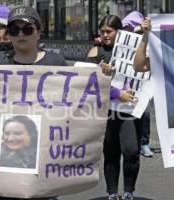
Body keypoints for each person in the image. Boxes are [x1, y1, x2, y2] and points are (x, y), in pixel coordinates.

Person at [0, 6, 67, 200]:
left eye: (27, 29)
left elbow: (70, 106)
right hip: (3, 161)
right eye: (14, 30)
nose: (21, 34)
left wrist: (104, 78)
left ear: (38, 31)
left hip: (43, 161)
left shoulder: (55, 62)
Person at [86, 15, 141, 200]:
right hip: (107, 111)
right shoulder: (96, 52)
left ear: (120, 32)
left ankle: (128, 191)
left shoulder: (133, 51)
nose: (105, 35)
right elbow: (90, 82)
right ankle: (111, 193)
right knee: (111, 152)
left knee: (131, 151)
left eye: (109, 31)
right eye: (102, 31)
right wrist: (117, 93)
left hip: (130, 111)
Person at [122, 11, 154, 157]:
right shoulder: (124, 38)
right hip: (126, 82)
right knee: (126, 114)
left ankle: (144, 143)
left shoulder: (148, 39)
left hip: (144, 81)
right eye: (126, 27)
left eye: (131, 26)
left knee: (145, 114)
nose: (128, 29)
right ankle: (129, 142)